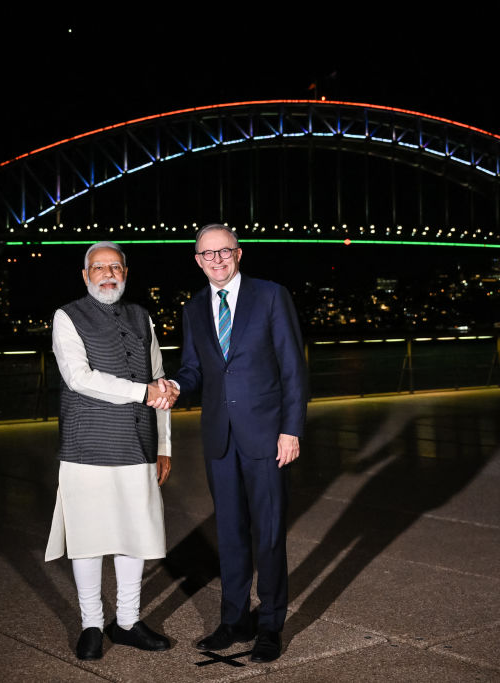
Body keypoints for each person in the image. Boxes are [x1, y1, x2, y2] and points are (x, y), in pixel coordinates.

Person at [170, 223, 308, 663]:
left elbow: (292, 367)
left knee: (267, 535)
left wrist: (292, 429)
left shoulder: (270, 295)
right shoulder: (193, 309)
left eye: (224, 251)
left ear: (238, 253)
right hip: (220, 439)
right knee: (229, 535)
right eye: (207, 254)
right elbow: (193, 370)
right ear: (197, 261)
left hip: (268, 437)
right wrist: (174, 384)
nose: (217, 260)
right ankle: (234, 620)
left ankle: (269, 624)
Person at [44, 240, 179, 660]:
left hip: (138, 445)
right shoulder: (66, 316)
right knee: (87, 538)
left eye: (115, 267)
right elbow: (79, 378)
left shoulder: (142, 317)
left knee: (132, 534)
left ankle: (126, 622)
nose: (108, 273)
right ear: (85, 276)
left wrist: (163, 445)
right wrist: (143, 392)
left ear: (125, 273)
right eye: (98, 267)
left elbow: (158, 378)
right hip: (86, 445)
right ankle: (90, 624)